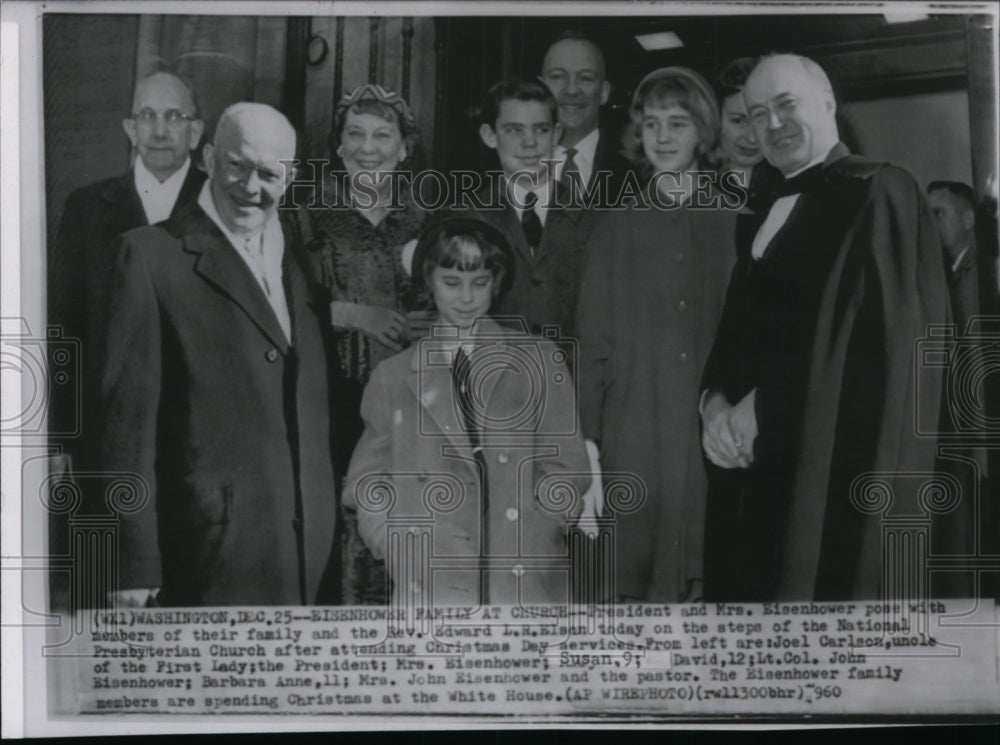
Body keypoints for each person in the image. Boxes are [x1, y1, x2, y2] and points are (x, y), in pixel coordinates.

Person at [700, 54, 961, 602]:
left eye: (786, 105)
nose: (772, 125)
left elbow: (888, 349)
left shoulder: (879, 191)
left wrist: (767, 407)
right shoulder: (760, 207)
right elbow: (736, 328)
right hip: (753, 470)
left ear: (827, 103)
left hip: (832, 471)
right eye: (755, 114)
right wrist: (715, 403)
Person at [95, 103, 338, 607]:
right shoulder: (148, 257)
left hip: (305, 557)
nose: (251, 186)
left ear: (290, 177)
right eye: (237, 164)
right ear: (207, 156)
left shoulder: (304, 264)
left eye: (269, 172)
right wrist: (131, 562)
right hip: (204, 556)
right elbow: (124, 425)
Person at [343, 216, 592, 607]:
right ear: (428, 281)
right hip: (431, 585)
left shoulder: (539, 360)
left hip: (522, 580)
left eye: (479, 284)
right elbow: (366, 485)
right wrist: (398, 547)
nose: (466, 298)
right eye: (451, 283)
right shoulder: (393, 377)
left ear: (496, 283)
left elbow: (568, 469)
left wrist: (539, 532)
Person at [575, 67, 737, 603]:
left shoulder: (737, 221)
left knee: (711, 575)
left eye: (678, 123)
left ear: (704, 132)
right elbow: (591, 344)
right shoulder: (614, 227)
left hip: (711, 434)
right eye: (651, 124)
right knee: (631, 585)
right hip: (635, 435)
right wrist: (588, 445)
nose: (663, 137)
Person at [303, 83, 428, 604]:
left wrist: (432, 320)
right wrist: (355, 314)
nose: (368, 148)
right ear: (338, 145)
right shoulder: (305, 215)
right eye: (355, 134)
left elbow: (464, 291)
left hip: (413, 404)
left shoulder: (426, 215)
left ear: (404, 148)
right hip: (332, 401)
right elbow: (280, 305)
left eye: (383, 135)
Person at [49, 71, 205, 456]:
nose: (159, 130)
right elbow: (63, 328)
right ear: (130, 129)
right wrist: (58, 441)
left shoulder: (223, 207)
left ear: (197, 132)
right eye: (147, 116)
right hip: (106, 432)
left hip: (199, 437)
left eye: (173, 117)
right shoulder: (85, 208)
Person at [471, 79, 595, 346]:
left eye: (541, 130)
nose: (529, 143)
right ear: (489, 135)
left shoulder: (593, 220)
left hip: (572, 381)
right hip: (492, 378)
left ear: (557, 135)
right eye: (514, 130)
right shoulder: (468, 219)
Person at [539, 31, 631, 200]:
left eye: (586, 78)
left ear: (604, 92)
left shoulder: (637, 178)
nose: (572, 90)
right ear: (541, 89)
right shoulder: (509, 166)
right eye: (558, 77)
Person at [714, 57, 782, 217]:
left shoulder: (791, 178)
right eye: (738, 120)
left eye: (760, 119)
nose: (752, 138)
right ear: (715, 118)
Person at [927, 180, 981, 332]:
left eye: (939, 213)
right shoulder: (947, 270)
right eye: (928, 215)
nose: (930, 223)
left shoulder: (981, 274)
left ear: (968, 219)